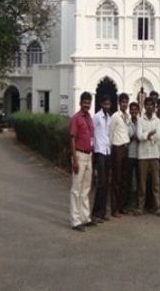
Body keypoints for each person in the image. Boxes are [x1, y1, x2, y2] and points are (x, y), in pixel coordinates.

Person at [69, 92, 96, 232]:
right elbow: (72, 138)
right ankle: (75, 220)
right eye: (84, 102)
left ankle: (85, 217)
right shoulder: (76, 118)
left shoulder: (89, 118)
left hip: (89, 155)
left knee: (86, 189)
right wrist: (74, 159)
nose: (87, 105)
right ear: (80, 103)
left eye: (88, 102)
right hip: (79, 155)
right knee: (76, 189)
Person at [135, 97, 160, 217]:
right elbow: (139, 136)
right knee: (142, 182)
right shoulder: (140, 120)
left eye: (152, 105)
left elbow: (159, 136)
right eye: (147, 105)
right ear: (144, 106)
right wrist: (149, 134)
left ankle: (157, 207)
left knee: (156, 182)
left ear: (154, 106)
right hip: (143, 156)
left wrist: (147, 137)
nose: (150, 107)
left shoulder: (157, 121)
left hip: (155, 154)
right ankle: (140, 207)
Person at [109, 93, 130, 216]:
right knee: (116, 179)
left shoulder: (126, 116)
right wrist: (112, 149)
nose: (125, 104)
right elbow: (110, 134)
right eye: (122, 102)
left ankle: (122, 206)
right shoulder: (115, 116)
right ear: (119, 103)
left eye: (126, 102)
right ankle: (114, 208)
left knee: (124, 179)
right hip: (117, 148)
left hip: (126, 147)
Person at [92, 95, 112, 221]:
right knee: (101, 182)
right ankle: (96, 212)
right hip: (99, 151)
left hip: (107, 151)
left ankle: (103, 211)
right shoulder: (97, 117)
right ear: (101, 104)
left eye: (108, 104)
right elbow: (92, 134)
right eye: (105, 104)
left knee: (106, 183)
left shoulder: (109, 117)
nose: (106, 106)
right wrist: (93, 151)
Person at [127, 102, 140, 211]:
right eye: (132, 110)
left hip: (139, 155)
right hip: (130, 154)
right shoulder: (127, 122)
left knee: (139, 180)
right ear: (130, 111)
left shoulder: (141, 122)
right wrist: (132, 137)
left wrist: (139, 137)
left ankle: (138, 203)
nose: (134, 112)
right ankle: (128, 203)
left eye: (136, 110)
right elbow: (125, 138)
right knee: (129, 180)